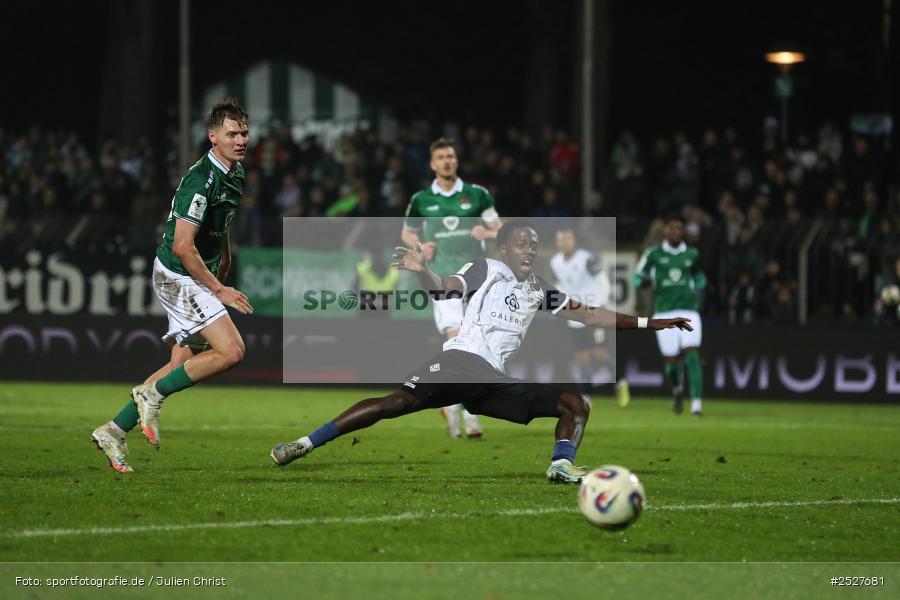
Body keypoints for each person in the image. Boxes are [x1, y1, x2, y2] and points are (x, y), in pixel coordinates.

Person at [271, 221, 690, 483]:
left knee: (575, 403)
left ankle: (560, 466)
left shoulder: (539, 289)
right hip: (459, 361)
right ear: (503, 249)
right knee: (393, 403)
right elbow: (444, 289)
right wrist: (424, 272)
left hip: (491, 380)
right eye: (522, 244)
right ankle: (305, 443)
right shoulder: (485, 269)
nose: (529, 250)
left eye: (533, 245)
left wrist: (650, 322)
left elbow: (593, 316)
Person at [91, 97, 254, 472]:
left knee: (180, 365)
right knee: (231, 352)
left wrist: (224, 259)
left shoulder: (236, 173)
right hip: (178, 276)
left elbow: (221, 222)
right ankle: (151, 395)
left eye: (244, 132)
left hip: (197, 273)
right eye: (232, 133)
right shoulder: (201, 179)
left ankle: (113, 431)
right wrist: (219, 288)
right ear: (213, 137)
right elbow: (183, 247)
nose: (241, 139)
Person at [401, 137, 502, 439]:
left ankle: (455, 406)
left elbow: (501, 228)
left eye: (451, 156)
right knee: (460, 344)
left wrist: (489, 231)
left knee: (475, 349)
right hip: (442, 281)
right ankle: (468, 415)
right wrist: (420, 247)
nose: (447, 161)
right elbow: (407, 233)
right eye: (441, 157)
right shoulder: (421, 199)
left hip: (477, 281)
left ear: (457, 161)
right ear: (432, 164)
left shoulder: (477, 195)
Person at [633, 217, 707, 416]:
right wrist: (644, 282)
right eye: (672, 229)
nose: (675, 232)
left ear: (682, 232)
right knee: (671, 366)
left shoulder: (692, 254)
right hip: (664, 312)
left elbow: (700, 279)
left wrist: (698, 300)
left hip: (689, 311)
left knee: (693, 355)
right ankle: (677, 390)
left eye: (679, 229)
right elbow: (637, 277)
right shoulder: (653, 255)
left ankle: (697, 406)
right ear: (665, 232)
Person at [550, 227, 630, 407]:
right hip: (574, 314)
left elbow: (603, 281)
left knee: (599, 354)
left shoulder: (587, 259)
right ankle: (586, 395)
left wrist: (599, 305)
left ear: (574, 241)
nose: (565, 242)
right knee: (582, 356)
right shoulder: (555, 262)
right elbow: (561, 283)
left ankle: (620, 381)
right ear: (557, 243)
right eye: (561, 239)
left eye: (568, 238)